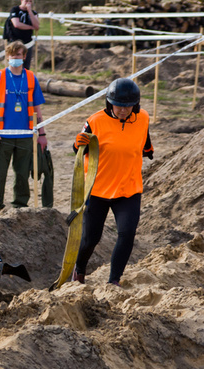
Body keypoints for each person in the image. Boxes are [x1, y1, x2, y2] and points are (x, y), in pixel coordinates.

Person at [71, 78, 153, 286]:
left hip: (129, 189)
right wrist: (77, 143)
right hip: (98, 189)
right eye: (119, 106)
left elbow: (145, 143)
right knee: (91, 238)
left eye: (128, 107)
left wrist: (146, 152)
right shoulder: (95, 121)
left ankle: (113, 282)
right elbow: (79, 149)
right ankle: (79, 270)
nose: (123, 111)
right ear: (109, 102)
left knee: (127, 234)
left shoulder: (143, 118)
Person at [0, 41, 47, 212]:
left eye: (18, 55)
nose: (15, 58)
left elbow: (37, 110)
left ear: (24, 57)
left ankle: (20, 207)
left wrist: (42, 134)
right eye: (12, 55)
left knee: (22, 175)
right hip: (2, 137)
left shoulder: (31, 78)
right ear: (7, 57)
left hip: (25, 136)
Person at [6, 0, 40, 70]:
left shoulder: (33, 13)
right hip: (14, 40)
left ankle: (25, 79)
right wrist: (30, 27)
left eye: (30, 1)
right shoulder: (15, 10)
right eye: (26, 1)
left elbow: (36, 26)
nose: (28, 3)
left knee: (26, 65)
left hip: (27, 42)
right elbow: (16, 24)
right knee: (14, 63)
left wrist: (30, 11)